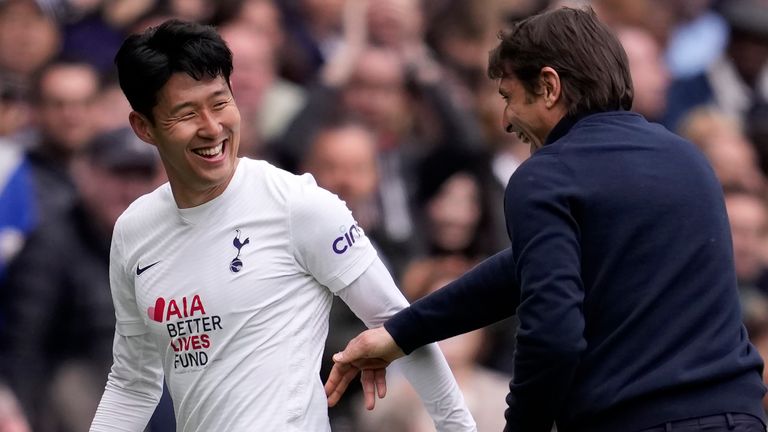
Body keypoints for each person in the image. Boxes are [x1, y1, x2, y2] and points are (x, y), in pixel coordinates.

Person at [326, 6, 767, 432]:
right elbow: (523, 269)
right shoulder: (687, 158)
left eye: (508, 97)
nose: (504, 119)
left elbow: (553, 336)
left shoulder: (545, 176)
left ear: (549, 86)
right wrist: (401, 333)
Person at [89, 19, 475, 432]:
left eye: (220, 103)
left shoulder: (297, 205)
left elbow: (399, 325)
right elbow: (133, 382)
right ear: (143, 128)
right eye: (186, 113)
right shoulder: (134, 230)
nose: (212, 127)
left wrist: (459, 427)